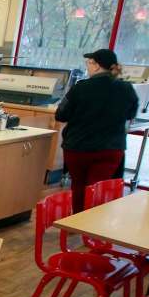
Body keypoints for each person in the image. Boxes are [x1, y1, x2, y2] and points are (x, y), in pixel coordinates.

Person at [56, 48, 139, 213]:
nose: (87, 66)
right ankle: (95, 222)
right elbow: (131, 114)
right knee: (98, 189)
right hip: (111, 148)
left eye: (89, 63)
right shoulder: (126, 88)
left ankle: (77, 220)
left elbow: (61, 115)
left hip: (78, 147)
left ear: (96, 65)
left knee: (79, 187)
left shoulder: (81, 87)